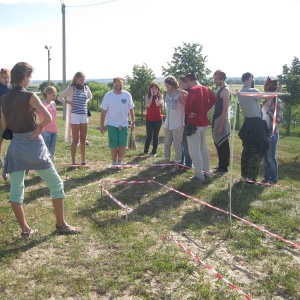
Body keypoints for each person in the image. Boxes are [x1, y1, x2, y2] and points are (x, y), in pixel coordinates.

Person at [0, 62, 81, 238]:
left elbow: (3, 128)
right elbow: (49, 116)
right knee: (56, 184)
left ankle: (25, 229)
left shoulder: (3, 99)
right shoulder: (30, 95)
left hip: (16, 149)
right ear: (25, 77)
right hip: (34, 145)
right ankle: (61, 225)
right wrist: (40, 128)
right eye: (30, 77)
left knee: (16, 191)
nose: (30, 80)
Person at [185, 71, 217, 182]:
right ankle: (207, 172)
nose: (187, 84)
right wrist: (205, 110)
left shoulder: (193, 90)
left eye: (187, 81)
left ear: (189, 79)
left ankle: (199, 175)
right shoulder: (205, 89)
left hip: (194, 123)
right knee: (203, 148)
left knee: (194, 150)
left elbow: (188, 103)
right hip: (204, 123)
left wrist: (189, 112)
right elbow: (214, 99)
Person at [237, 72, 269, 183]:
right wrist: (275, 92)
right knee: (257, 150)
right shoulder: (252, 91)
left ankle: (244, 176)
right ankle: (251, 178)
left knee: (247, 150)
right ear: (250, 78)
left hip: (248, 123)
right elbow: (266, 97)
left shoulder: (239, 92)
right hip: (255, 124)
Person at [57, 71, 92, 167]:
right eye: (81, 79)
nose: (83, 81)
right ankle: (73, 161)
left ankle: (83, 161)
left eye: (84, 79)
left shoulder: (86, 87)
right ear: (76, 79)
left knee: (83, 139)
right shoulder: (72, 88)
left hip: (84, 115)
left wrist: (86, 101)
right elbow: (59, 97)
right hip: (75, 115)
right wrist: (69, 102)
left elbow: (90, 96)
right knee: (75, 139)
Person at [100, 77, 135, 166]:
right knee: (113, 145)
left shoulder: (127, 95)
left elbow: (131, 109)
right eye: (116, 85)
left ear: (123, 85)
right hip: (112, 124)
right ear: (113, 85)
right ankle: (114, 162)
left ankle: (119, 162)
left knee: (122, 144)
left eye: (120, 85)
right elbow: (103, 111)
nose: (118, 87)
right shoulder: (108, 96)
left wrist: (133, 122)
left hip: (123, 124)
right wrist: (102, 125)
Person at [261, 77, 283, 184]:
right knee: (264, 157)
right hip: (263, 132)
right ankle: (266, 177)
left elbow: (278, 120)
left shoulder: (278, 102)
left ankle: (273, 179)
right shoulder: (265, 100)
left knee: (270, 157)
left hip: (272, 133)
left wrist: (268, 111)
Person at [163, 76, 188, 174]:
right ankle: (166, 162)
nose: (166, 88)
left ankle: (177, 165)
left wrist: (183, 95)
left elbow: (186, 102)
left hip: (178, 123)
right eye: (165, 86)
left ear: (172, 84)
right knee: (166, 144)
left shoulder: (180, 93)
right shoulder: (167, 94)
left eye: (167, 86)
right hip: (168, 123)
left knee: (177, 145)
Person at [212, 70, 231, 173]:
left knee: (223, 143)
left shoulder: (225, 90)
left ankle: (224, 167)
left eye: (216, 79)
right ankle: (220, 165)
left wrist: (220, 125)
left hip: (221, 119)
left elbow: (225, 109)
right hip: (216, 119)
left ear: (222, 79)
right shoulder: (220, 89)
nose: (214, 81)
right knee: (218, 143)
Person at [143, 82, 163, 156]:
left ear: (158, 89)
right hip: (149, 119)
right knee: (149, 136)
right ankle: (145, 151)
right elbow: (148, 105)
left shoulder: (160, 96)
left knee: (155, 135)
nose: (154, 90)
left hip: (158, 119)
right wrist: (151, 96)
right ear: (150, 89)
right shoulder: (147, 96)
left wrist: (155, 97)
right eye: (152, 88)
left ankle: (154, 151)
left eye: (155, 88)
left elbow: (158, 104)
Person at [38, 86, 58, 162]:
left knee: (52, 150)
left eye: (55, 95)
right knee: (45, 149)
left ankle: (51, 166)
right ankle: (44, 166)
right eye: (53, 95)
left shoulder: (53, 103)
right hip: (45, 129)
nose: (54, 97)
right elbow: (35, 113)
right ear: (47, 94)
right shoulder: (41, 104)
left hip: (54, 129)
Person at [178, 75, 192, 169]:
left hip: (187, 122)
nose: (180, 85)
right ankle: (180, 162)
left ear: (186, 82)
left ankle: (188, 164)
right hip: (180, 121)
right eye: (179, 83)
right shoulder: (180, 92)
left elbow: (187, 105)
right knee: (179, 144)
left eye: (181, 83)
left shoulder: (190, 92)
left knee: (186, 145)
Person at [0, 68, 11, 168]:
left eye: (8, 78)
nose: (6, 80)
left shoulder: (11, 88)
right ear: (0, 77)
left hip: (11, 118)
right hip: (0, 118)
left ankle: (9, 158)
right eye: (4, 77)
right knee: (0, 140)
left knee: (13, 139)